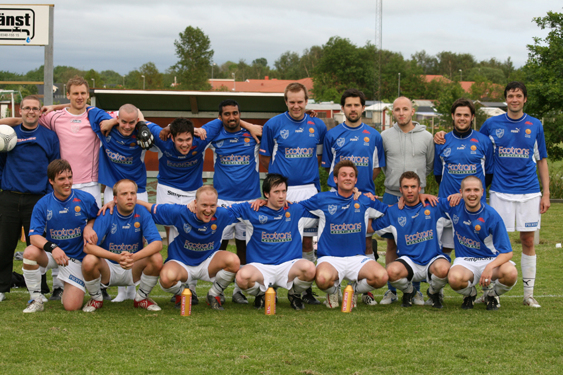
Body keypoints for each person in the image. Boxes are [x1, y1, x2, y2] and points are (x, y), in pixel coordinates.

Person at [436, 82, 550, 308]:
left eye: (518, 96)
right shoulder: (491, 124)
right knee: (490, 242)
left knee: (528, 240)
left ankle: (528, 294)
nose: (514, 99)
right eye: (510, 95)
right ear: (505, 99)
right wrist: (441, 135)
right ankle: (489, 292)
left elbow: (542, 160)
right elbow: (471, 140)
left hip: (529, 191)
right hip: (499, 191)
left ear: (525, 99)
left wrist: (546, 192)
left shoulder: (535, 125)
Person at [259, 82, 327, 304]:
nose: (296, 106)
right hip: (282, 192)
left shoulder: (318, 125)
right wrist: (276, 185)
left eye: (300, 102)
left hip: (308, 190)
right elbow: (266, 157)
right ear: (285, 101)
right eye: (292, 102)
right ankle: (270, 287)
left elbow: (318, 156)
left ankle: (302, 290)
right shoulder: (273, 125)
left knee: (307, 243)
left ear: (307, 102)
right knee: (281, 241)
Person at [322, 89, 386, 305]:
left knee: (366, 241)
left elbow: (376, 167)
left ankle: (363, 291)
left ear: (363, 108)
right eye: (348, 105)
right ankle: (334, 287)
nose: (352, 109)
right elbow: (329, 167)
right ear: (342, 109)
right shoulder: (332, 135)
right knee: (338, 238)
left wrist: (364, 189)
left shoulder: (374, 135)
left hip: (364, 196)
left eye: (356, 105)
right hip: (337, 196)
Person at [299, 160, 389, 308]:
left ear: (356, 180)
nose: (348, 178)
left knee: (381, 277)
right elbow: (294, 208)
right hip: (329, 258)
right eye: (344, 175)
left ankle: (351, 290)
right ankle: (333, 291)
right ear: (336, 179)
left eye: (351, 175)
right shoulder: (322, 199)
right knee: (322, 280)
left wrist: (421, 198)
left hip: (356, 258)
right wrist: (267, 202)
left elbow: (390, 211)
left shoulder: (365, 200)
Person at [137, 185, 240, 311]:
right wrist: (118, 202)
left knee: (234, 261)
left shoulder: (223, 214)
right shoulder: (179, 212)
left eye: (212, 205)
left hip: (207, 263)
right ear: (195, 203)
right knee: (166, 278)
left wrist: (261, 201)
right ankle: (184, 293)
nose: (208, 210)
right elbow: (148, 207)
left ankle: (213, 294)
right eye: (204, 205)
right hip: (181, 264)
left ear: (217, 205)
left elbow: (248, 209)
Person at [0, 95, 60, 302]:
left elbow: (54, 167)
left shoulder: (49, 136)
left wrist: (47, 195)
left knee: (37, 246)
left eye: (35, 108)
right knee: (4, 244)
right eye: (27, 108)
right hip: (9, 197)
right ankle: (1, 288)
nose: (31, 111)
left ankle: (39, 289)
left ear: (39, 112)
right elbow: (1, 162)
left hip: (38, 199)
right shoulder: (8, 133)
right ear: (21, 110)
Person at [21, 159, 98, 313]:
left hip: (75, 259)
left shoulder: (85, 199)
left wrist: (89, 226)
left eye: (69, 177)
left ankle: (67, 285)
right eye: (61, 179)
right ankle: (36, 299)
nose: (67, 182)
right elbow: (34, 237)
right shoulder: (43, 204)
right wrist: (53, 248)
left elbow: (97, 217)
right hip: (53, 254)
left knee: (72, 307)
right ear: (51, 181)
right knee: (29, 252)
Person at [232, 173, 318, 310]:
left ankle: (294, 294)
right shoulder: (252, 210)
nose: (281, 196)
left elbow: (325, 207)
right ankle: (261, 294)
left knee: (310, 269)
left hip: (288, 266)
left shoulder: (296, 209)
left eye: (284, 191)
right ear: (266, 194)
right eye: (276, 192)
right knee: (242, 278)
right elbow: (223, 212)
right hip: (261, 267)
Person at [379, 96, 434, 305]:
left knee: (415, 242)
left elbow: (428, 165)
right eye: (397, 109)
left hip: (416, 197)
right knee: (392, 244)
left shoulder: (427, 137)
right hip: (392, 194)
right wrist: (398, 188)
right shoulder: (384, 136)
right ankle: (391, 290)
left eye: (405, 109)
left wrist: (413, 191)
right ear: (393, 112)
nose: (401, 113)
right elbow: (383, 165)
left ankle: (416, 290)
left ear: (413, 111)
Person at [370, 171, 451, 308]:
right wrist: (366, 201)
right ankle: (410, 291)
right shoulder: (394, 212)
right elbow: (370, 227)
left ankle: (433, 292)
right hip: (409, 262)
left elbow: (463, 202)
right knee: (391, 271)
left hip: (432, 259)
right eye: (406, 187)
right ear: (400, 190)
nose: (409, 190)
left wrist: (459, 195)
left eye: (413, 187)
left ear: (419, 189)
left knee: (444, 269)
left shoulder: (434, 205)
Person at [208, 100, 261, 304]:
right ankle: (216, 289)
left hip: (249, 200)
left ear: (240, 114)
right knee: (218, 247)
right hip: (222, 201)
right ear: (220, 117)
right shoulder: (215, 136)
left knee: (245, 247)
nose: (232, 117)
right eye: (227, 114)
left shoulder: (252, 135)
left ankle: (239, 289)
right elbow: (200, 133)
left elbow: (267, 132)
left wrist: (247, 125)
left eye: (235, 113)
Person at [81, 179, 163, 312]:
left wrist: (133, 257)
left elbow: (157, 243)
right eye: (124, 194)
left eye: (133, 193)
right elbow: (88, 247)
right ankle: (96, 298)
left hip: (133, 265)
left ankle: (141, 298)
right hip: (109, 267)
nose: (129, 197)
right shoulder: (106, 214)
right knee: (89, 260)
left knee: (157, 258)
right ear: (115, 199)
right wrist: (116, 257)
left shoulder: (142, 212)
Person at [442, 176, 518, 310]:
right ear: (461, 192)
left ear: (482, 192)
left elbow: (507, 252)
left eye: (476, 190)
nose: (472, 194)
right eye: (468, 190)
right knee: (454, 279)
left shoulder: (492, 215)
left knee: (511, 273)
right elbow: (430, 202)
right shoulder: (454, 205)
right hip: (465, 261)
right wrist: (421, 195)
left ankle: (492, 294)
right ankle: (470, 293)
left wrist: (489, 267)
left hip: (489, 260)